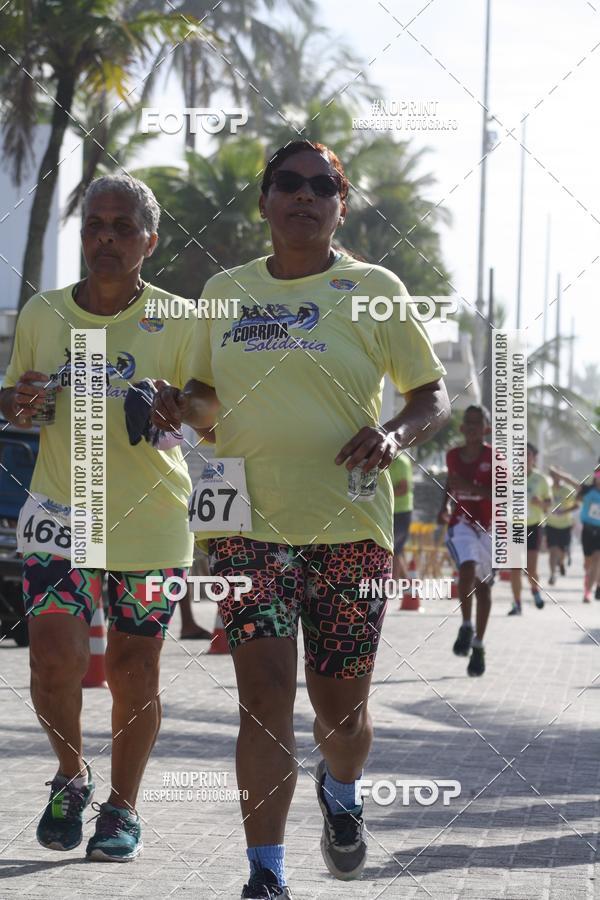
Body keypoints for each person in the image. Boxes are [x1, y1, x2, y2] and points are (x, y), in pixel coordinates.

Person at [153, 140, 450, 899]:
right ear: (264, 200)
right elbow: (201, 399)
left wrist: (392, 435)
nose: (305, 195)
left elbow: (429, 395)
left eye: (324, 186)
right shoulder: (223, 292)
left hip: (350, 532)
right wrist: (175, 407)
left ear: (340, 205)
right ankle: (265, 873)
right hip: (247, 528)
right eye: (289, 183)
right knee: (262, 701)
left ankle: (343, 795)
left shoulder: (375, 288)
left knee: (341, 713)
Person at [0, 174, 217, 862]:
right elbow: (15, 400)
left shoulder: (180, 319)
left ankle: (123, 808)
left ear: (149, 243)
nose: (106, 238)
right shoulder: (43, 313)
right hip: (60, 510)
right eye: (96, 224)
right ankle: (71, 777)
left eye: (124, 228)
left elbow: (213, 414)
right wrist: (17, 403)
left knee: (134, 669)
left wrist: (178, 404)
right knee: (52, 664)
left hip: (150, 520)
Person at [438, 405, 493, 677]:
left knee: (483, 588)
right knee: (467, 567)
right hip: (462, 522)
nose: (471, 426)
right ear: (462, 428)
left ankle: (479, 646)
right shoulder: (452, 456)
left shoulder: (496, 458)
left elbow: (501, 494)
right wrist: (444, 505)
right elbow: (451, 482)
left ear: (487, 428)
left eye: (477, 422)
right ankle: (466, 624)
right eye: (467, 422)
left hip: (490, 528)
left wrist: (470, 488)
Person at [508, 443, 551, 615]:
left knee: (531, 569)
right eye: (520, 456)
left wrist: (540, 503)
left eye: (527, 455)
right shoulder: (510, 478)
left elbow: (548, 505)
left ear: (533, 458)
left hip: (534, 525)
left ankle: (534, 589)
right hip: (515, 525)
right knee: (515, 567)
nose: (524, 459)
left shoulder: (541, 480)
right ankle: (517, 604)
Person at [388, 450, 413, 602]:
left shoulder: (401, 461)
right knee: (397, 549)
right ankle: (409, 586)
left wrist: (383, 494)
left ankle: (392, 586)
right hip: (390, 511)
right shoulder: (385, 460)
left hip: (401, 511)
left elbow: (404, 488)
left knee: (394, 550)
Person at [546, 467, 578, 585]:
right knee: (553, 550)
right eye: (553, 476)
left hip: (565, 525)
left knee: (562, 551)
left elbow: (577, 504)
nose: (556, 478)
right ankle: (552, 574)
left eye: (558, 475)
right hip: (551, 524)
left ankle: (561, 562)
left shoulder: (568, 490)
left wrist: (564, 511)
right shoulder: (548, 489)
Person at [578, 465, 600, 602]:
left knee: (597, 559)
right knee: (588, 562)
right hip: (587, 529)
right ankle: (588, 579)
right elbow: (576, 495)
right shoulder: (588, 491)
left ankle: (588, 592)